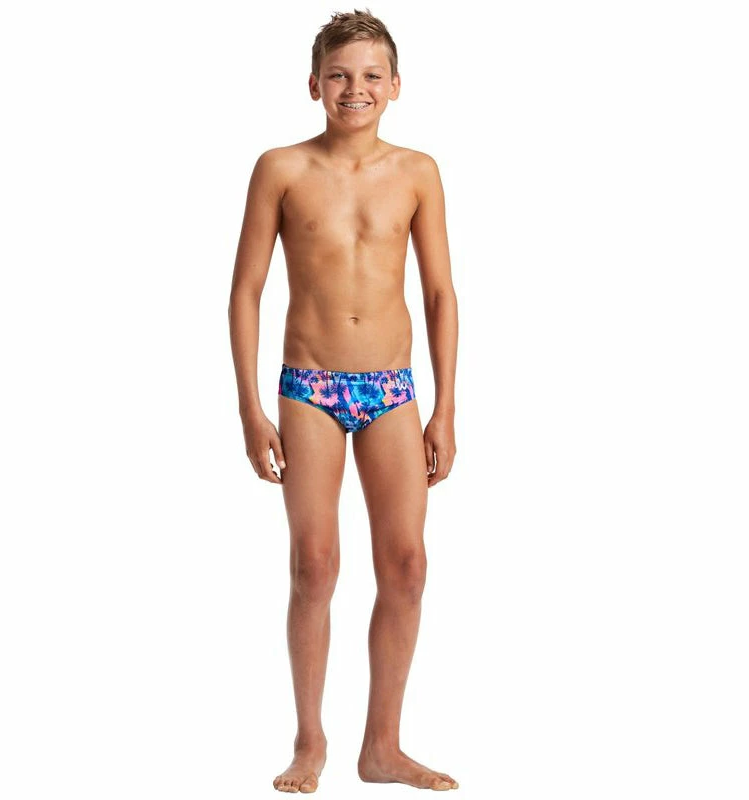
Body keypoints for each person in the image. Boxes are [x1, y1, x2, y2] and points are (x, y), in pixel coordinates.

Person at [228, 8, 459, 794]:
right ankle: (309, 742)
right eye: (339, 75)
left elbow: (440, 294)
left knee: (407, 565)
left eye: (369, 76)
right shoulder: (281, 168)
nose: (354, 89)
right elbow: (246, 290)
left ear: (395, 86)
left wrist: (445, 408)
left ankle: (383, 747)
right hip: (310, 386)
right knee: (315, 565)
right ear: (314, 84)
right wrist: (250, 408)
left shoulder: (419, 172)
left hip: (391, 387)